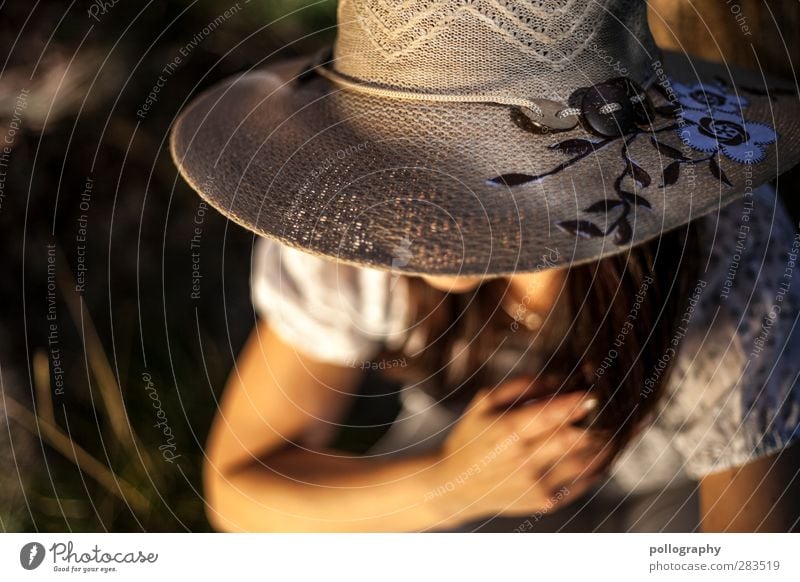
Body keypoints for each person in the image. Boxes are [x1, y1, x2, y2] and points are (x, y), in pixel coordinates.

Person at [170, 0, 800, 532]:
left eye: (449, 156)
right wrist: (449, 485)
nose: (403, 203)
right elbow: (241, 495)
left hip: (665, 495)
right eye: (385, 154)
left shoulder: (726, 261)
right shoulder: (354, 224)